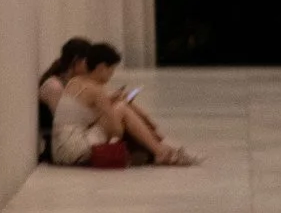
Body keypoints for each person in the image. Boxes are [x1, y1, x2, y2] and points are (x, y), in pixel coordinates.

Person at [39, 40, 193, 168]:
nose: (111, 75)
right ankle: (160, 150)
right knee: (121, 108)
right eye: (111, 70)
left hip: (60, 148)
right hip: (73, 150)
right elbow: (116, 131)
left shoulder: (74, 82)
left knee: (120, 106)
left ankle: (159, 148)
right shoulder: (95, 90)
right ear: (101, 68)